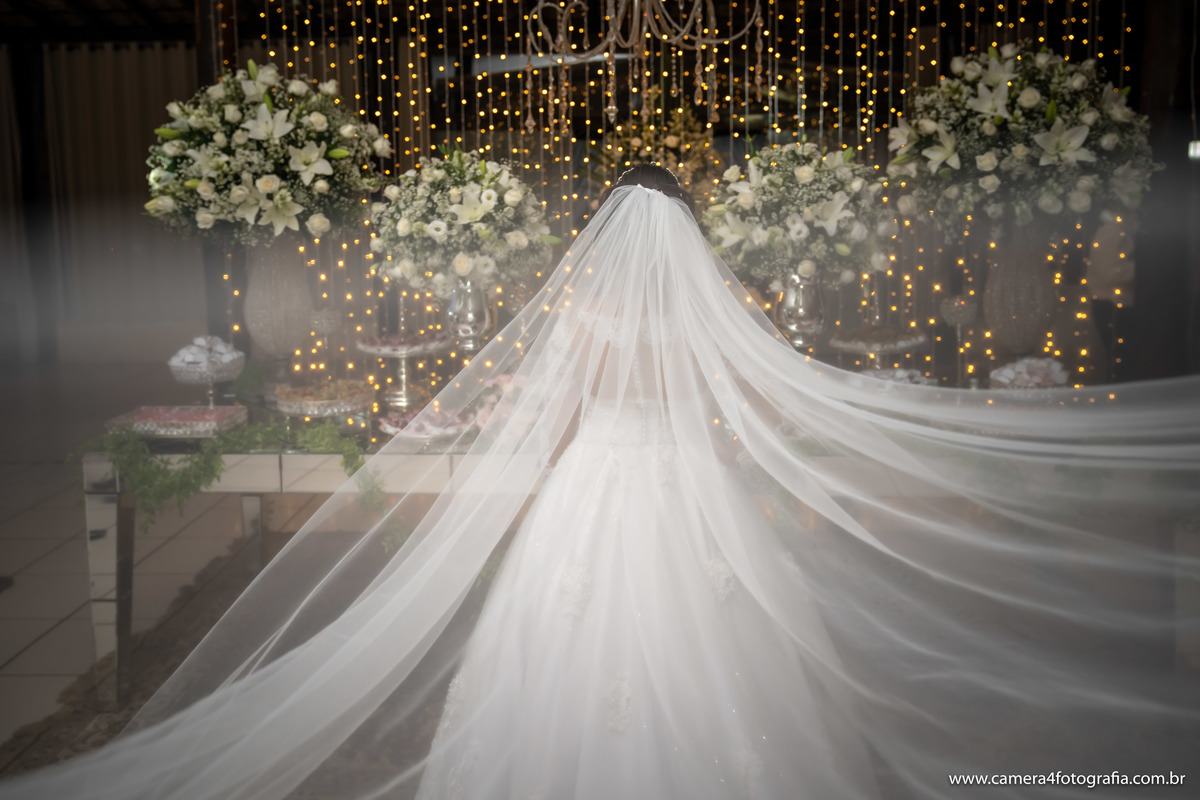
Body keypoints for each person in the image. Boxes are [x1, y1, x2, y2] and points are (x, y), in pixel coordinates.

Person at [3, 165, 1198, 799]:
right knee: (724, 640)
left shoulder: (579, 313)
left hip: (595, 488)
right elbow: (749, 406)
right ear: (685, 237)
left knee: (560, 636)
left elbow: (549, 406)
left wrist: (484, 417)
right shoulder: (710, 312)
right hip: (687, 491)